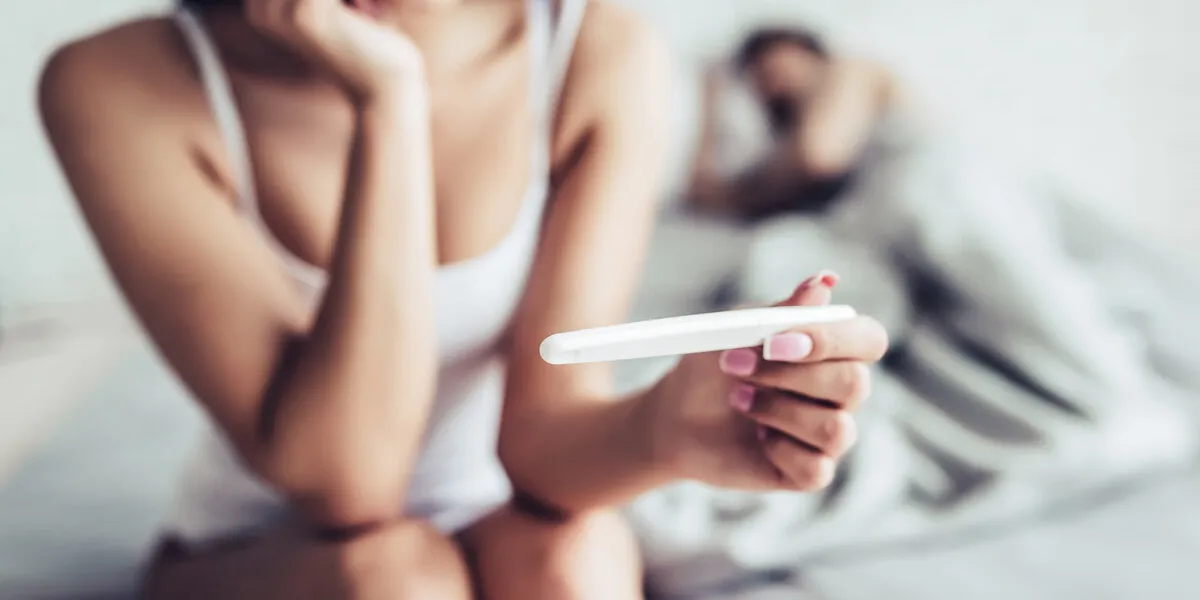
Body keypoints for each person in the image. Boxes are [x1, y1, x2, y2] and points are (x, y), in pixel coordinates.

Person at [38, 1, 888, 598]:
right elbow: (349, 486)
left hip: (504, 512)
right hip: (266, 547)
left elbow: (543, 451)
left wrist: (664, 428)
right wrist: (388, 101)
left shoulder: (599, 52)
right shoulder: (116, 82)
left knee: (575, 561)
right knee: (396, 580)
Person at [687, 26, 902, 220]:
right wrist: (710, 106)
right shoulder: (788, 145)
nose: (773, 84)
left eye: (775, 62)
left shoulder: (851, 70)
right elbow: (704, 196)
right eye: (759, 77)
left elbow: (818, 157)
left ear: (807, 53)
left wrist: (748, 192)